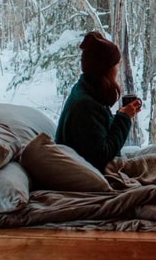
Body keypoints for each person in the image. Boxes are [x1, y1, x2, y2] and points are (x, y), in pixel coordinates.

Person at [55, 31, 142, 171]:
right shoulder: (85, 106)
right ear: (106, 69)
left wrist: (121, 115)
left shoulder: (86, 90)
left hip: (101, 163)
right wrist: (123, 119)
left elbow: (95, 132)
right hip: (98, 171)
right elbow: (102, 155)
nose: (117, 69)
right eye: (115, 65)